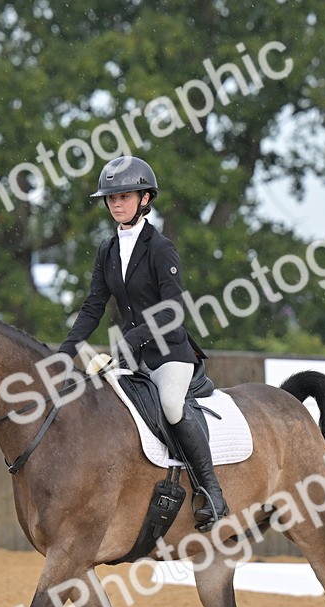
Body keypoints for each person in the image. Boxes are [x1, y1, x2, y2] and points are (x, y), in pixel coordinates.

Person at [57, 156, 229, 530]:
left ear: (146, 198)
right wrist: (64, 352)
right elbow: (92, 308)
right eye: (111, 198)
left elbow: (172, 311)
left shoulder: (160, 247)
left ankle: (211, 492)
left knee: (170, 404)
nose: (116, 204)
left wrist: (127, 342)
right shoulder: (106, 250)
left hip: (170, 353)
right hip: (132, 355)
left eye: (124, 196)